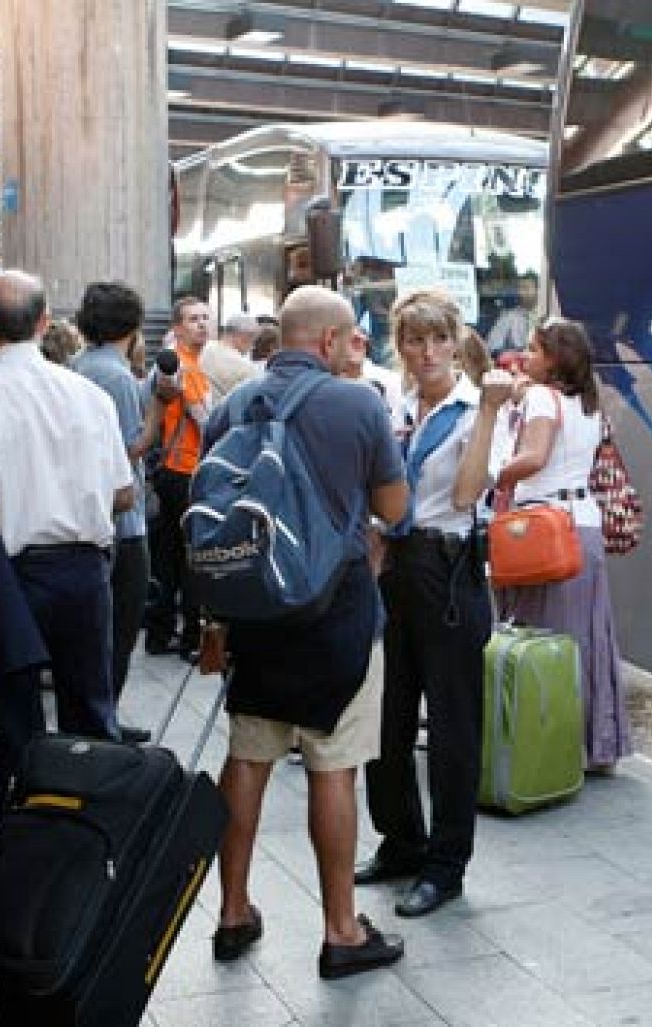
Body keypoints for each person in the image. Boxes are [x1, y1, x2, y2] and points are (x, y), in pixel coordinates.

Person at [210, 285, 410, 980]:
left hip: (256, 608)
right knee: (333, 764)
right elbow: (396, 505)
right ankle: (341, 929)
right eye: (353, 338)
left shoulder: (234, 403)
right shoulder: (358, 402)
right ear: (328, 342)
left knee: (247, 756)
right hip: (336, 609)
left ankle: (233, 912)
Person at [0, 270, 135, 803]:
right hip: (86, 572)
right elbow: (123, 494)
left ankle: (26, 840)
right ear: (45, 323)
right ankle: (95, 836)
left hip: (11, 576)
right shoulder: (90, 397)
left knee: (14, 719)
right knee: (91, 712)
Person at [358, 289, 503, 918]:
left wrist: (494, 414)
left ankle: (447, 864)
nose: (427, 352)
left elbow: (469, 493)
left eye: (439, 338)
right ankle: (400, 841)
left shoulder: (479, 410)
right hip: (396, 564)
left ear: (455, 339)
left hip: (449, 570)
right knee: (385, 720)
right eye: (415, 340)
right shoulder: (395, 404)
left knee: (451, 727)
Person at [490, 318, 631, 773]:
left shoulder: (539, 397)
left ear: (552, 358)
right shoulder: (590, 403)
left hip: (542, 529)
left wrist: (486, 474)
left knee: (541, 638)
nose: (525, 358)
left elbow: (534, 458)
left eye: (532, 350)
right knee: (588, 639)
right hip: (584, 527)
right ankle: (596, 745)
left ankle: (550, 744)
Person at [71, 281, 153, 745]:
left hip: (86, 516)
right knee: (120, 630)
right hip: (123, 521)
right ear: (133, 325)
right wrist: (158, 407)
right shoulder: (118, 377)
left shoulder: (78, 366)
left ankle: (95, 716)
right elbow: (130, 450)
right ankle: (107, 721)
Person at [137, 297, 214, 658]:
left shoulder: (172, 365)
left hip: (169, 470)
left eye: (205, 318)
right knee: (190, 558)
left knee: (167, 556)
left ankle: (159, 632)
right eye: (193, 319)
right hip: (185, 470)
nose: (201, 324)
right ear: (178, 327)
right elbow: (206, 421)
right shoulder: (188, 369)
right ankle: (191, 638)